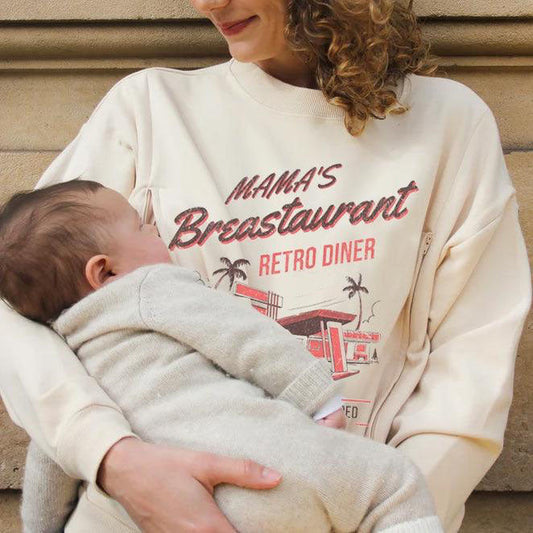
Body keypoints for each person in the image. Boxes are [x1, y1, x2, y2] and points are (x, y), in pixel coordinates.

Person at [0, 1, 530, 532]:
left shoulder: (446, 122)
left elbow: (470, 367)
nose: (208, 3)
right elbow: (15, 309)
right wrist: (114, 458)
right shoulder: (151, 109)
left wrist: (375, 510)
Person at [1, 180, 442, 532]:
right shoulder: (149, 287)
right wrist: (316, 396)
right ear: (105, 271)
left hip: (145, 511)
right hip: (268, 468)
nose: (154, 229)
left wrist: (41, 526)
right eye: (140, 226)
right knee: (393, 485)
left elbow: (54, 457)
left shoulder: (61, 364)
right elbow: (244, 338)